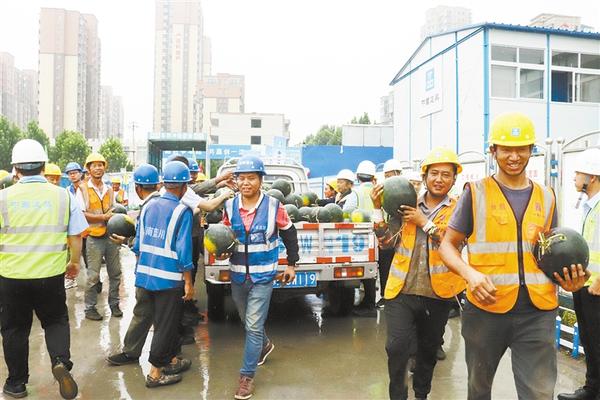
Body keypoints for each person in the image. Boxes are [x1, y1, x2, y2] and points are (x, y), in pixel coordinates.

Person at [439, 112, 588, 399]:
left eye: (522, 149)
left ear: (531, 150)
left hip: (538, 312)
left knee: (539, 394)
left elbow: (551, 252)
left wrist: (568, 280)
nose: (514, 156)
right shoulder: (476, 192)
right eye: (506, 149)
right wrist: (470, 274)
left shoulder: (547, 196)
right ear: (493, 150)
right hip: (486, 309)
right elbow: (447, 245)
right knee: (479, 389)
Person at [372, 148, 465, 400]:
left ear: (454, 179)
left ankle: (421, 394)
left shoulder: (459, 209)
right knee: (396, 347)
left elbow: (457, 242)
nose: (439, 179)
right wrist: (378, 209)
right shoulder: (405, 202)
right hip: (401, 290)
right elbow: (386, 243)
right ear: (425, 177)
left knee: (427, 351)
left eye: (446, 174)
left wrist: (424, 221)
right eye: (434, 173)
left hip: (437, 293)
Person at [0, 139, 88, 399]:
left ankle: (16, 383)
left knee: (15, 329)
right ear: (43, 166)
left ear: (15, 168)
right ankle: (60, 361)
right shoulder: (63, 195)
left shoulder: (2, 198)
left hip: (12, 276)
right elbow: (76, 235)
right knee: (55, 320)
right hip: (50, 276)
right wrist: (74, 262)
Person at [221, 155, 299, 400]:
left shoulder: (275, 206)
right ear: (236, 181)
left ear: (261, 180)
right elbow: (224, 238)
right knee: (248, 323)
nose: (246, 183)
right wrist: (221, 251)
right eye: (242, 178)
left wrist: (291, 264)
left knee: (253, 326)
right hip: (238, 276)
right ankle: (264, 345)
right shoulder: (229, 206)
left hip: (263, 277)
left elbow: (289, 234)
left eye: (251, 178)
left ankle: (246, 377)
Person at [131, 161, 194, 388]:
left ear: (164, 183)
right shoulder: (182, 211)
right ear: (184, 187)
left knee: (160, 321)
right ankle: (156, 373)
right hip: (168, 278)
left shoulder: (148, 206)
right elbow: (184, 250)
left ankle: (172, 360)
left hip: (145, 275)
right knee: (166, 325)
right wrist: (188, 282)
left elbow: (138, 243)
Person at [558, 148, 600, 400]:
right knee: (590, 339)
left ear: (592, 177)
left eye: (578, 173)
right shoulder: (588, 206)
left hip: (598, 287)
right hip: (585, 285)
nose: (574, 177)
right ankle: (593, 389)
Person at [76, 153, 122, 321]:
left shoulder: (109, 189)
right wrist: (103, 217)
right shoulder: (82, 189)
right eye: (94, 165)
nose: (98, 168)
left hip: (110, 236)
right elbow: (81, 214)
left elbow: (114, 210)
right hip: (94, 237)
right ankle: (90, 308)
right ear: (88, 169)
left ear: (104, 168)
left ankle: (114, 304)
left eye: (100, 165)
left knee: (115, 273)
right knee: (93, 276)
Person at [377, 159, 404, 308]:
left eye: (390, 175)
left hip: (400, 235)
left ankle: (396, 296)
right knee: (385, 266)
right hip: (387, 233)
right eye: (386, 176)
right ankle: (385, 295)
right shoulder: (384, 190)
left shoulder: (404, 189)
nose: (388, 178)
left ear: (398, 174)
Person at [354, 160, 378, 317]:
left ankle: (369, 304)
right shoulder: (379, 191)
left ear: (358, 177)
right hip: (379, 233)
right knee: (374, 269)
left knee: (367, 270)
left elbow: (348, 211)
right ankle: (372, 302)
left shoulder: (356, 192)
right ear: (373, 177)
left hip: (361, 236)